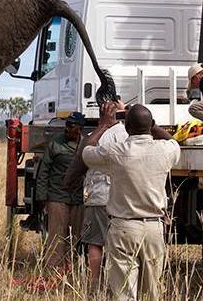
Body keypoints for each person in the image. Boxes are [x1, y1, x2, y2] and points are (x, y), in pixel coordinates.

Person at [82, 102, 181, 301]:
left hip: (123, 227)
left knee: (123, 293)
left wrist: (103, 125)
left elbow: (86, 152)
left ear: (126, 128)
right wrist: (152, 126)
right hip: (154, 228)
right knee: (152, 292)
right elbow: (174, 142)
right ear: (151, 125)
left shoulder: (116, 152)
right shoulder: (165, 150)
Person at [64, 100, 128, 287]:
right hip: (122, 199)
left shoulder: (94, 136)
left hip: (98, 197)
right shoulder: (127, 135)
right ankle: (118, 284)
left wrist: (102, 126)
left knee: (95, 243)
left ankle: (95, 283)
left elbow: (81, 157)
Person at [34, 111, 85, 272]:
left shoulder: (86, 144)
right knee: (56, 235)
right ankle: (53, 270)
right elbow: (44, 171)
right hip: (57, 196)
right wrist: (42, 196)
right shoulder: (55, 143)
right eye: (66, 124)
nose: (67, 128)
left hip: (79, 198)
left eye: (71, 125)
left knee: (77, 236)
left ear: (79, 128)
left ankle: (72, 269)